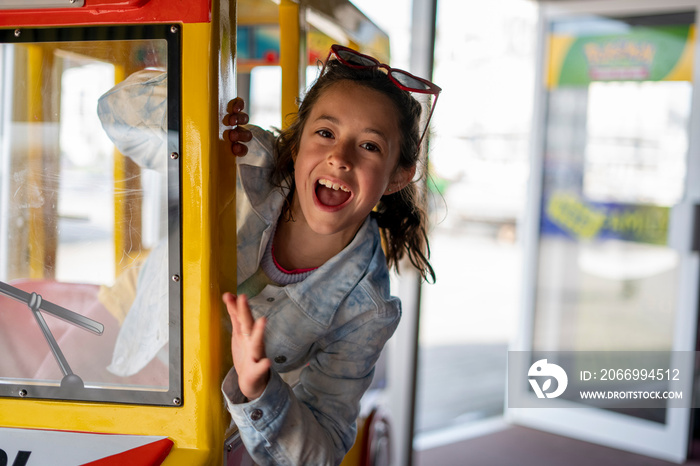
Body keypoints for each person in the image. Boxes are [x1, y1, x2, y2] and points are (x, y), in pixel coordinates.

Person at [221, 44, 440, 465]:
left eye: (370, 146)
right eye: (325, 133)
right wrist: (201, 116)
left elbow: (322, 451)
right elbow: (116, 114)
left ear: (398, 175)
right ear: (299, 140)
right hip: (127, 365)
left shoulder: (367, 311)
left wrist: (259, 388)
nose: (339, 158)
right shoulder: (242, 156)